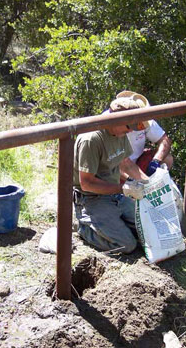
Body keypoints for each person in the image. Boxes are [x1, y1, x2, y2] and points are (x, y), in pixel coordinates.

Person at [73, 93, 150, 254]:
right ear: (116, 119)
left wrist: (148, 184)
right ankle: (83, 227)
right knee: (127, 245)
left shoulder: (119, 132)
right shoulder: (91, 139)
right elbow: (87, 183)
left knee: (148, 229)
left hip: (115, 195)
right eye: (129, 127)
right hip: (91, 199)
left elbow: (126, 163)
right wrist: (123, 188)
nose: (130, 132)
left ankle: (111, 224)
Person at [115, 91, 173, 177]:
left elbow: (165, 141)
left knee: (167, 158)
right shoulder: (111, 124)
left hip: (137, 162)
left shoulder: (145, 120)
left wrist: (156, 161)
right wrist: (142, 181)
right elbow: (119, 162)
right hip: (117, 167)